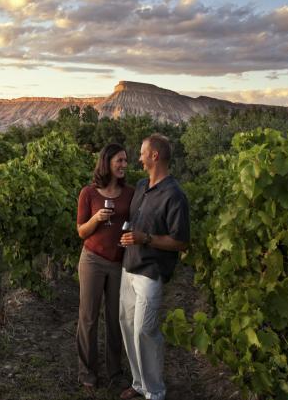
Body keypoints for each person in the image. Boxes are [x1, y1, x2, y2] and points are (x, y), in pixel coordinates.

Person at [118, 134, 190, 400]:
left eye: (142, 153)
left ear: (154, 156)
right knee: (127, 326)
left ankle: (155, 391)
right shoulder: (141, 186)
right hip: (129, 266)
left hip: (151, 271)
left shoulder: (175, 195)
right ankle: (139, 383)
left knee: (145, 331)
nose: (138, 158)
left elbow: (180, 242)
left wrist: (145, 238)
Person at [76, 143, 136, 396]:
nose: (124, 165)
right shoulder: (89, 193)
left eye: (125, 161)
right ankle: (87, 373)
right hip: (92, 259)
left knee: (115, 319)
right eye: (119, 160)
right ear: (107, 162)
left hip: (119, 263)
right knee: (88, 318)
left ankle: (115, 373)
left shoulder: (130, 193)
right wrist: (97, 218)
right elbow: (81, 231)